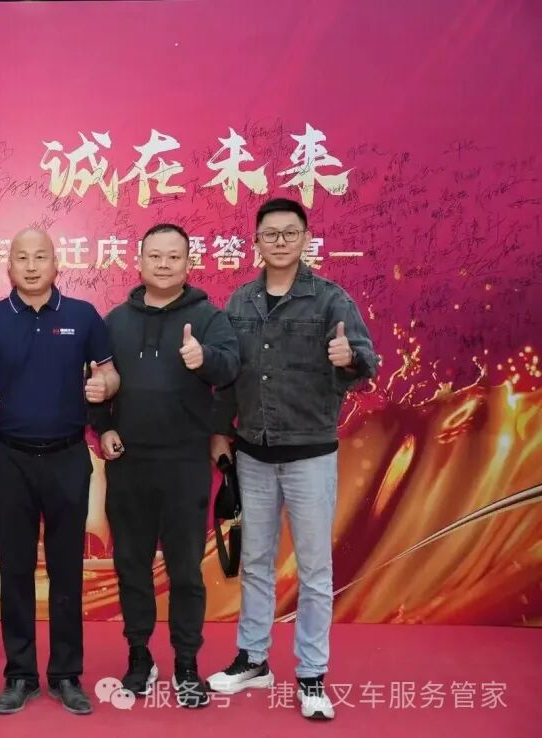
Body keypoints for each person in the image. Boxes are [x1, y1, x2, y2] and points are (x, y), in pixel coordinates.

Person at [206, 198, 377, 721]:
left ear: (305, 239)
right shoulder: (239, 301)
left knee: (314, 568)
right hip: (252, 454)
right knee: (256, 561)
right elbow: (227, 376)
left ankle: (312, 675)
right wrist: (220, 434)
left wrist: (349, 359)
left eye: (289, 233)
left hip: (309, 456)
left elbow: (367, 362)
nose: (279, 242)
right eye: (270, 234)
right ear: (256, 242)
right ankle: (253, 659)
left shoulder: (330, 299)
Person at [0, 228, 119, 716]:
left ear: (56, 264)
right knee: (15, 568)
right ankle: (21, 674)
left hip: (69, 457)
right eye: (22, 258)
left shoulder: (82, 315)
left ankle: (67, 674)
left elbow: (109, 373)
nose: (31, 266)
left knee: (68, 569)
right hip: (11, 459)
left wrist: (105, 387)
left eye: (40, 257)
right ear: (8, 265)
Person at [90, 223, 240, 708]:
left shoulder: (210, 317)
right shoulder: (114, 320)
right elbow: (95, 382)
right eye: (154, 256)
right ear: (138, 261)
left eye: (173, 256)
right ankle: (139, 656)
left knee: (185, 571)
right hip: (128, 462)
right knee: (131, 566)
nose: (163, 264)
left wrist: (204, 357)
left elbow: (230, 369)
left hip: (184, 464)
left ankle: (187, 664)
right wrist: (103, 427)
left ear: (188, 263)